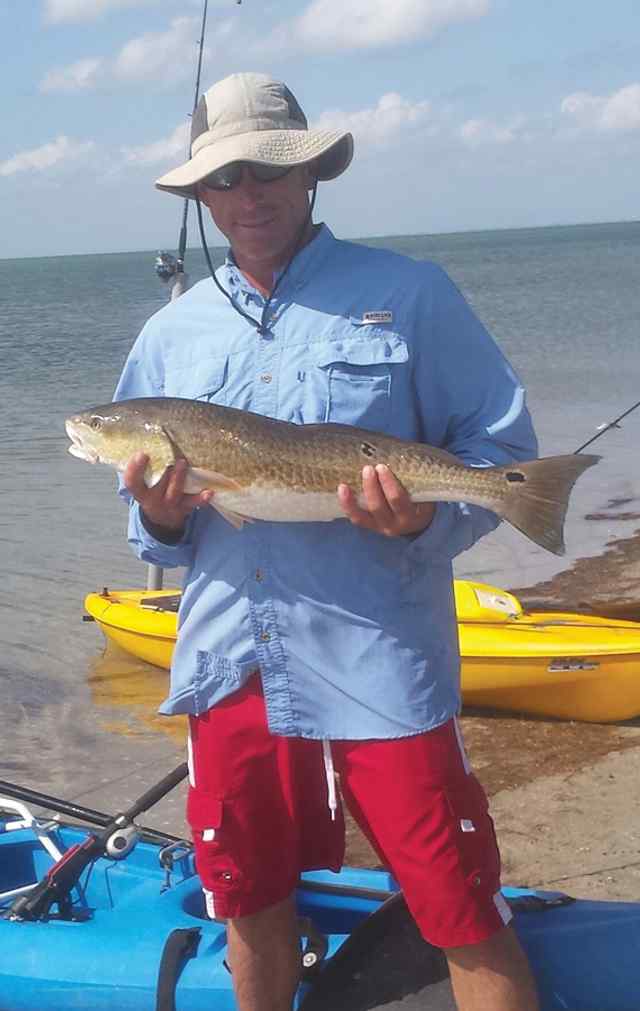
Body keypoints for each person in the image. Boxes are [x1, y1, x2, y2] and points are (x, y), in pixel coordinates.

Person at [114, 72, 540, 1011]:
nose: (249, 195)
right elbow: (149, 530)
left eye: (269, 170)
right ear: (201, 195)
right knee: (251, 900)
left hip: (379, 662)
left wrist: (431, 512)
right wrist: (167, 513)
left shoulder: (410, 292)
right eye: (224, 178)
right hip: (230, 665)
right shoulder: (167, 335)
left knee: (458, 904)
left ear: (311, 176)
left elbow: (500, 449)